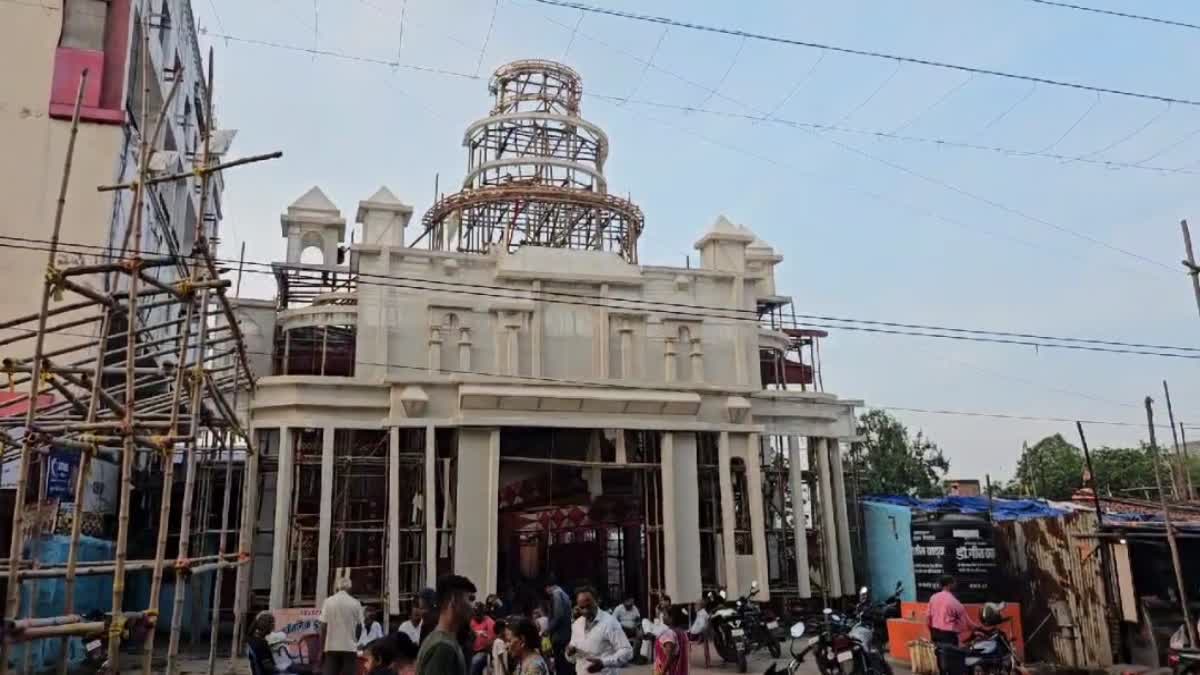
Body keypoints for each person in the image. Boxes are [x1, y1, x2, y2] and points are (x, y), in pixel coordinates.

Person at [417, 574, 477, 675]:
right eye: (470, 599)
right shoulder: (443, 648)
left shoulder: (441, 640)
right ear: (454, 600)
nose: (473, 607)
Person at [566, 587, 633, 675]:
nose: (586, 611)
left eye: (589, 606)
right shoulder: (576, 625)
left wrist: (603, 663)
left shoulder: (610, 623)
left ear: (597, 601)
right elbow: (573, 659)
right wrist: (569, 653)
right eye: (582, 608)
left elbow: (627, 651)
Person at [928, 575, 976, 675]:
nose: (955, 584)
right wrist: (980, 628)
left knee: (941, 663)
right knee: (954, 664)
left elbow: (927, 619)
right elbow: (967, 623)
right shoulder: (954, 602)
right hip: (948, 637)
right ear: (950, 584)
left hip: (935, 634)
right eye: (954, 582)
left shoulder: (933, 598)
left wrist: (931, 633)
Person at [321, 576, 366, 675]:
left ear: (337, 588)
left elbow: (323, 626)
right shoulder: (355, 603)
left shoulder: (328, 602)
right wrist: (355, 640)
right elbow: (359, 627)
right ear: (350, 588)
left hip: (331, 647)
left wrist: (322, 648)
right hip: (349, 647)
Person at [543, 579, 573, 675]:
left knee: (560, 664)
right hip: (565, 634)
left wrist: (548, 629)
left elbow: (558, 616)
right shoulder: (565, 594)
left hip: (559, 636)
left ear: (548, 587)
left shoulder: (556, 595)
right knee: (564, 663)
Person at [652, 607, 689, 675]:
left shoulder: (668, 633)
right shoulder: (682, 632)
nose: (663, 617)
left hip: (667, 670)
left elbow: (670, 656)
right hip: (679, 669)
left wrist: (663, 671)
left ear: (671, 618)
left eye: (665, 615)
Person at [610, 597, 642, 665]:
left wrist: (638, 628)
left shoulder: (634, 608)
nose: (631, 606)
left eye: (632, 603)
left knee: (639, 635)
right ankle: (622, 657)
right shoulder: (619, 608)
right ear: (624, 602)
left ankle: (634, 657)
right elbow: (613, 621)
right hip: (622, 629)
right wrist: (623, 627)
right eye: (629, 603)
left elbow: (638, 620)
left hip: (633, 629)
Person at [470, 603, 498, 675]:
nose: (476, 615)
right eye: (475, 612)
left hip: (484, 651)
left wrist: (486, 638)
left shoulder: (490, 622)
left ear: (483, 612)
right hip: (470, 650)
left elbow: (492, 641)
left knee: (475, 662)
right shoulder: (471, 620)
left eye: (478, 613)